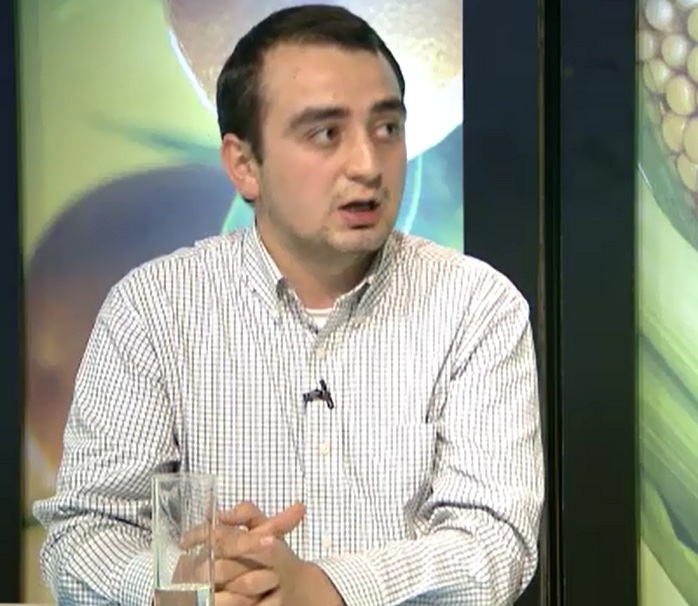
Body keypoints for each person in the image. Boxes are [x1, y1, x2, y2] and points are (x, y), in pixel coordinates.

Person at [33, 4, 544, 605]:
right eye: (326, 134)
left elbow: (494, 542)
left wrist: (320, 590)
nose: (367, 165)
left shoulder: (477, 307)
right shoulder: (153, 309)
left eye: (387, 129)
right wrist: (189, 590)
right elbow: (82, 538)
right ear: (244, 165)